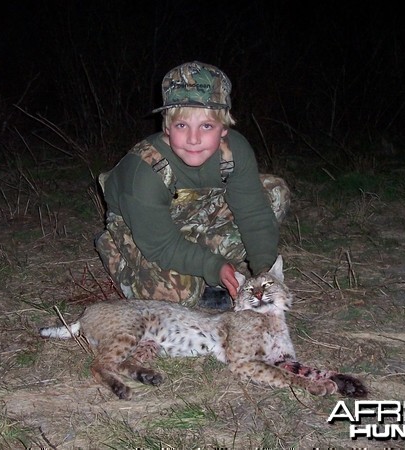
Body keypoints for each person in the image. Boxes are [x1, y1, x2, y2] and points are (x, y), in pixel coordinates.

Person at [95, 61, 290, 308]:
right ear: (166, 126)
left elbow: (253, 213)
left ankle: (201, 255)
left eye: (206, 126)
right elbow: (163, 246)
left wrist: (265, 272)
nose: (194, 139)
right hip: (144, 226)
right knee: (178, 296)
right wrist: (213, 266)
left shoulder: (235, 151)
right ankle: (114, 249)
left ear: (223, 128)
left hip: (195, 211)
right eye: (181, 125)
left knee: (274, 193)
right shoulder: (143, 171)